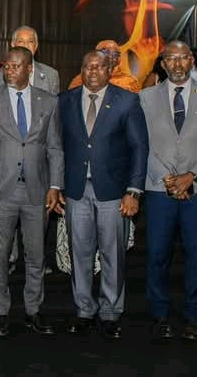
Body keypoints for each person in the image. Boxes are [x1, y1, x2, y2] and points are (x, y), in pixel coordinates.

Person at [138, 41, 197, 341]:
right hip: (158, 187)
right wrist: (167, 178)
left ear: (192, 62)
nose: (177, 64)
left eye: (183, 58)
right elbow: (141, 143)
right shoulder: (146, 97)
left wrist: (191, 176)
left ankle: (193, 316)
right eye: (171, 59)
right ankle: (159, 314)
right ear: (162, 64)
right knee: (157, 254)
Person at [0, 46, 64, 337]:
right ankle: (0, 311)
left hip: (38, 190)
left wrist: (55, 186)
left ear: (29, 68)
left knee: (36, 255)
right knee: (0, 255)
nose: (10, 70)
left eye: (16, 66)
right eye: (7, 66)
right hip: (1, 189)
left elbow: (55, 147)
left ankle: (33, 310)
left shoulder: (49, 101)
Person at [59, 51, 147, 340]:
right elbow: (57, 146)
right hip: (76, 190)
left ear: (110, 70)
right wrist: (56, 186)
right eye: (88, 66)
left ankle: (110, 312)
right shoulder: (66, 100)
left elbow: (139, 148)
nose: (93, 71)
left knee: (113, 254)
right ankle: (84, 310)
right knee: (80, 254)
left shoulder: (127, 100)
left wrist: (133, 191)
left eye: (99, 66)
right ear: (81, 70)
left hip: (114, 192)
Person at [67, 40, 141, 93]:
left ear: (119, 59)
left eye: (115, 54)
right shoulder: (81, 80)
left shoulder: (129, 82)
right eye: (106, 51)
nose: (111, 56)